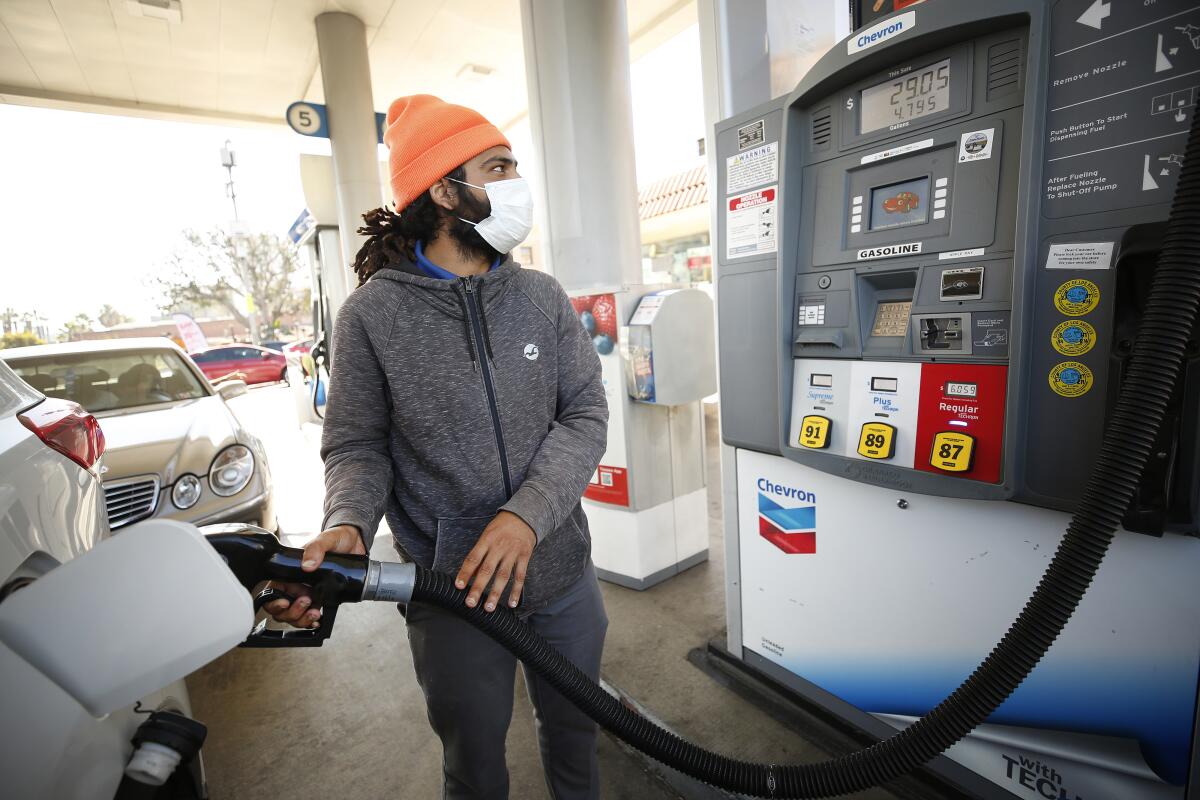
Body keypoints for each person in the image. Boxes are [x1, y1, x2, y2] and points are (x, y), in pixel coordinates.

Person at [264, 94, 610, 800]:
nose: (518, 182)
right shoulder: (374, 314)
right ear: (447, 190)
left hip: (564, 575)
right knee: (474, 767)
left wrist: (528, 514)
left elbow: (584, 413)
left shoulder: (540, 295)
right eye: (500, 166)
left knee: (577, 736)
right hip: (452, 593)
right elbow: (359, 445)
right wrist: (349, 524)